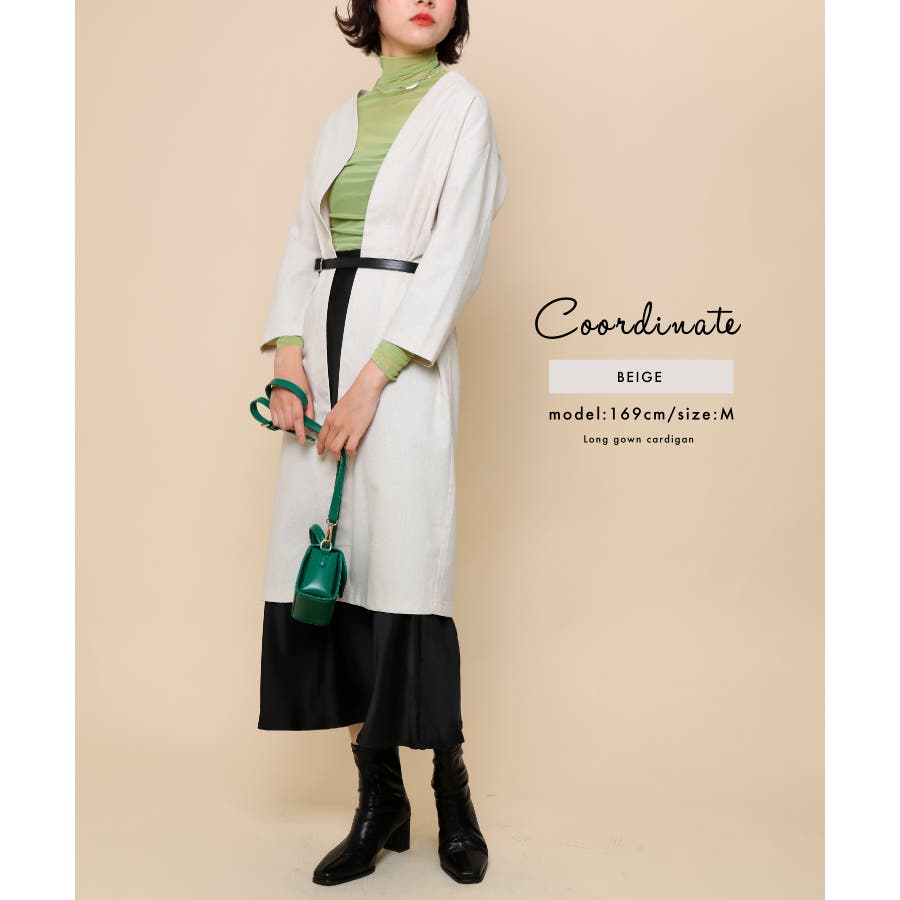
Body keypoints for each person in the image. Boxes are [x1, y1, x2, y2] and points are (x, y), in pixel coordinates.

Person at [255, 0, 507, 887]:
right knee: (335, 569)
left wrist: (373, 379)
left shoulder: (462, 108)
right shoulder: (341, 120)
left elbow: (457, 250)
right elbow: (303, 239)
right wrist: (288, 357)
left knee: (405, 568)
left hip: (399, 355)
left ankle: (451, 791)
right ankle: (379, 799)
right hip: (321, 346)